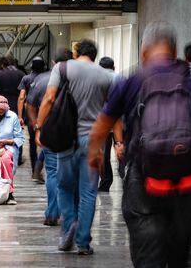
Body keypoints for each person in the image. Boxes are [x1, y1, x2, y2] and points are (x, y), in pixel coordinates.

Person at [89, 22, 191, 267]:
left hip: (144, 179)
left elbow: (101, 126)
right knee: (178, 256)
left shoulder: (132, 81)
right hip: (187, 182)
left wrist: (95, 156)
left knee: (148, 256)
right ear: (175, 52)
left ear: (144, 53)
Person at [35, 39, 114, 255]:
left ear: (76, 52)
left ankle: (68, 228)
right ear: (95, 55)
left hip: (66, 137)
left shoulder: (62, 68)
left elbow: (49, 98)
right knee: (88, 192)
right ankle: (83, 242)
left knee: (64, 186)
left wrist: (39, 127)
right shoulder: (106, 75)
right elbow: (113, 111)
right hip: (95, 140)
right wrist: (118, 140)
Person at [26, 49, 72, 226]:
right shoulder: (80, 77)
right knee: (72, 174)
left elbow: (30, 103)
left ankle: (52, 213)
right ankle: (72, 216)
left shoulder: (42, 79)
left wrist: (37, 125)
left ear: (54, 63)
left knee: (52, 171)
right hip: (75, 131)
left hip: (50, 130)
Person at [97, 57, 124, 192]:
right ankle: (124, 174)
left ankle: (105, 182)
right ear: (113, 67)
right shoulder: (122, 79)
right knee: (122, 150)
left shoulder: (97, 80)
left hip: (104, 122)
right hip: (122, 121)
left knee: (104, 155)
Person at [17, 56, 46, 181]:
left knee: (33, 142)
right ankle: (41, 168)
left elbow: (22, 97)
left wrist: (19, 116)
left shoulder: (26, 78)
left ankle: (35, 169)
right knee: (47, 142)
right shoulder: (47, 78)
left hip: (31, 113)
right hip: (46, 113)